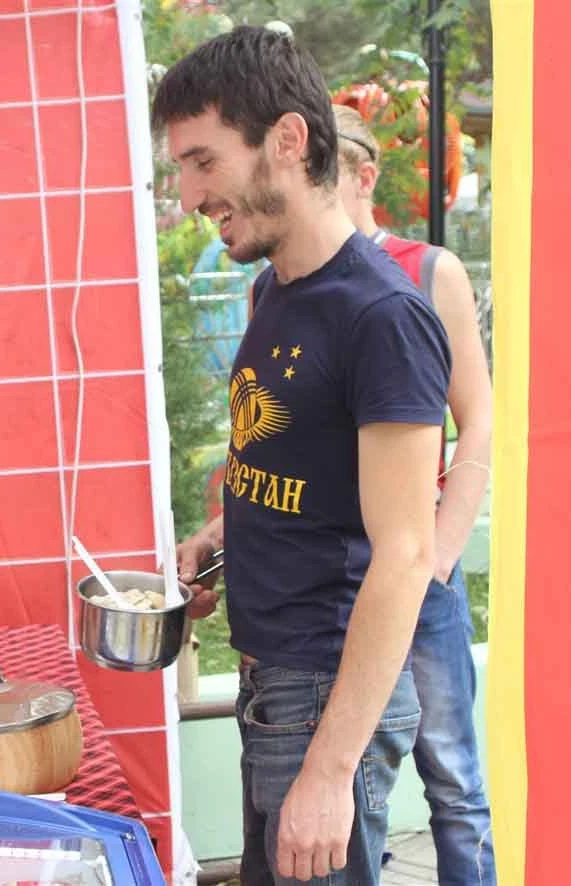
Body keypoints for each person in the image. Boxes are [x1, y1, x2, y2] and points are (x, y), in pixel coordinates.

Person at [153, 27, 452, 885]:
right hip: (275, 684)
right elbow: (296, 469)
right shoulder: (273, 288)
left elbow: (405, 550)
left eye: (203, 161)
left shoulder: (382, 318)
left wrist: (327, 773)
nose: (189, 196)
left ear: (286, 140)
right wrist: (219, 539)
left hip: (325, 694)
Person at [334, 103, 496, 885]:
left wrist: (442, 550)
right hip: (332, 575)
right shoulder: (274, 284)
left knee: (453, 781)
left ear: (363, 177)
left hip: (418, 565)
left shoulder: (428, 270)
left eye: (324, 174)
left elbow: (479, 416)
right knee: (346, 782)